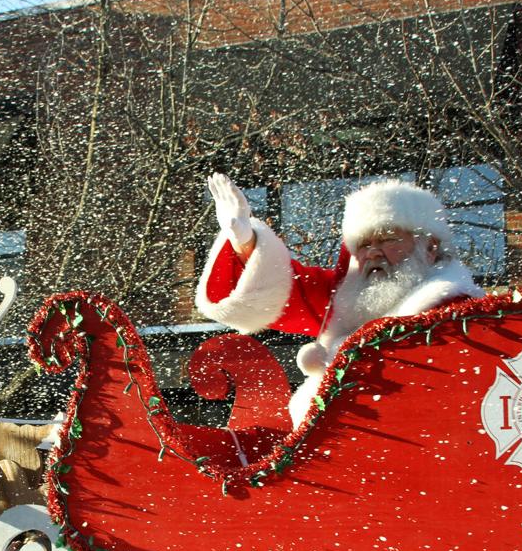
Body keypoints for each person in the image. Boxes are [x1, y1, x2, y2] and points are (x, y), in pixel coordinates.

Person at [195, 173, 483, 424]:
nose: (373, 252)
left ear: (429, 247)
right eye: (365, 244)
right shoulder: (351, 301)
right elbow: (284, 291)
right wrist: (244, 240)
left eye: (388, 239)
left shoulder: (458, 313)